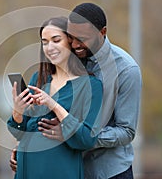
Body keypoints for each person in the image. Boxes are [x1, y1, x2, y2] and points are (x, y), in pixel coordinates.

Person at [10, 3, 142, 179]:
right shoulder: (69, 61)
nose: (75, 44)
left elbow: (126, 131)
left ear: (102, 32)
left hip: (107, 170)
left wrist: (71, 133)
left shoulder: (126, 70)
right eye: (71, 37)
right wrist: (26, 147)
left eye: (83, 38)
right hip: (67, 165)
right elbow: (34, 124)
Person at [7, 16, 103, 179]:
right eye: (45, 42)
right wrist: (18, 111)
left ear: (70, 42)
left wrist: (54, 105)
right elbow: (20, 133)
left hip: (60, 170)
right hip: (26, 170)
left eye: (56, 40)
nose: (49, 47)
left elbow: (87, 139)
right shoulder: (39, 79)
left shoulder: (91, 85)